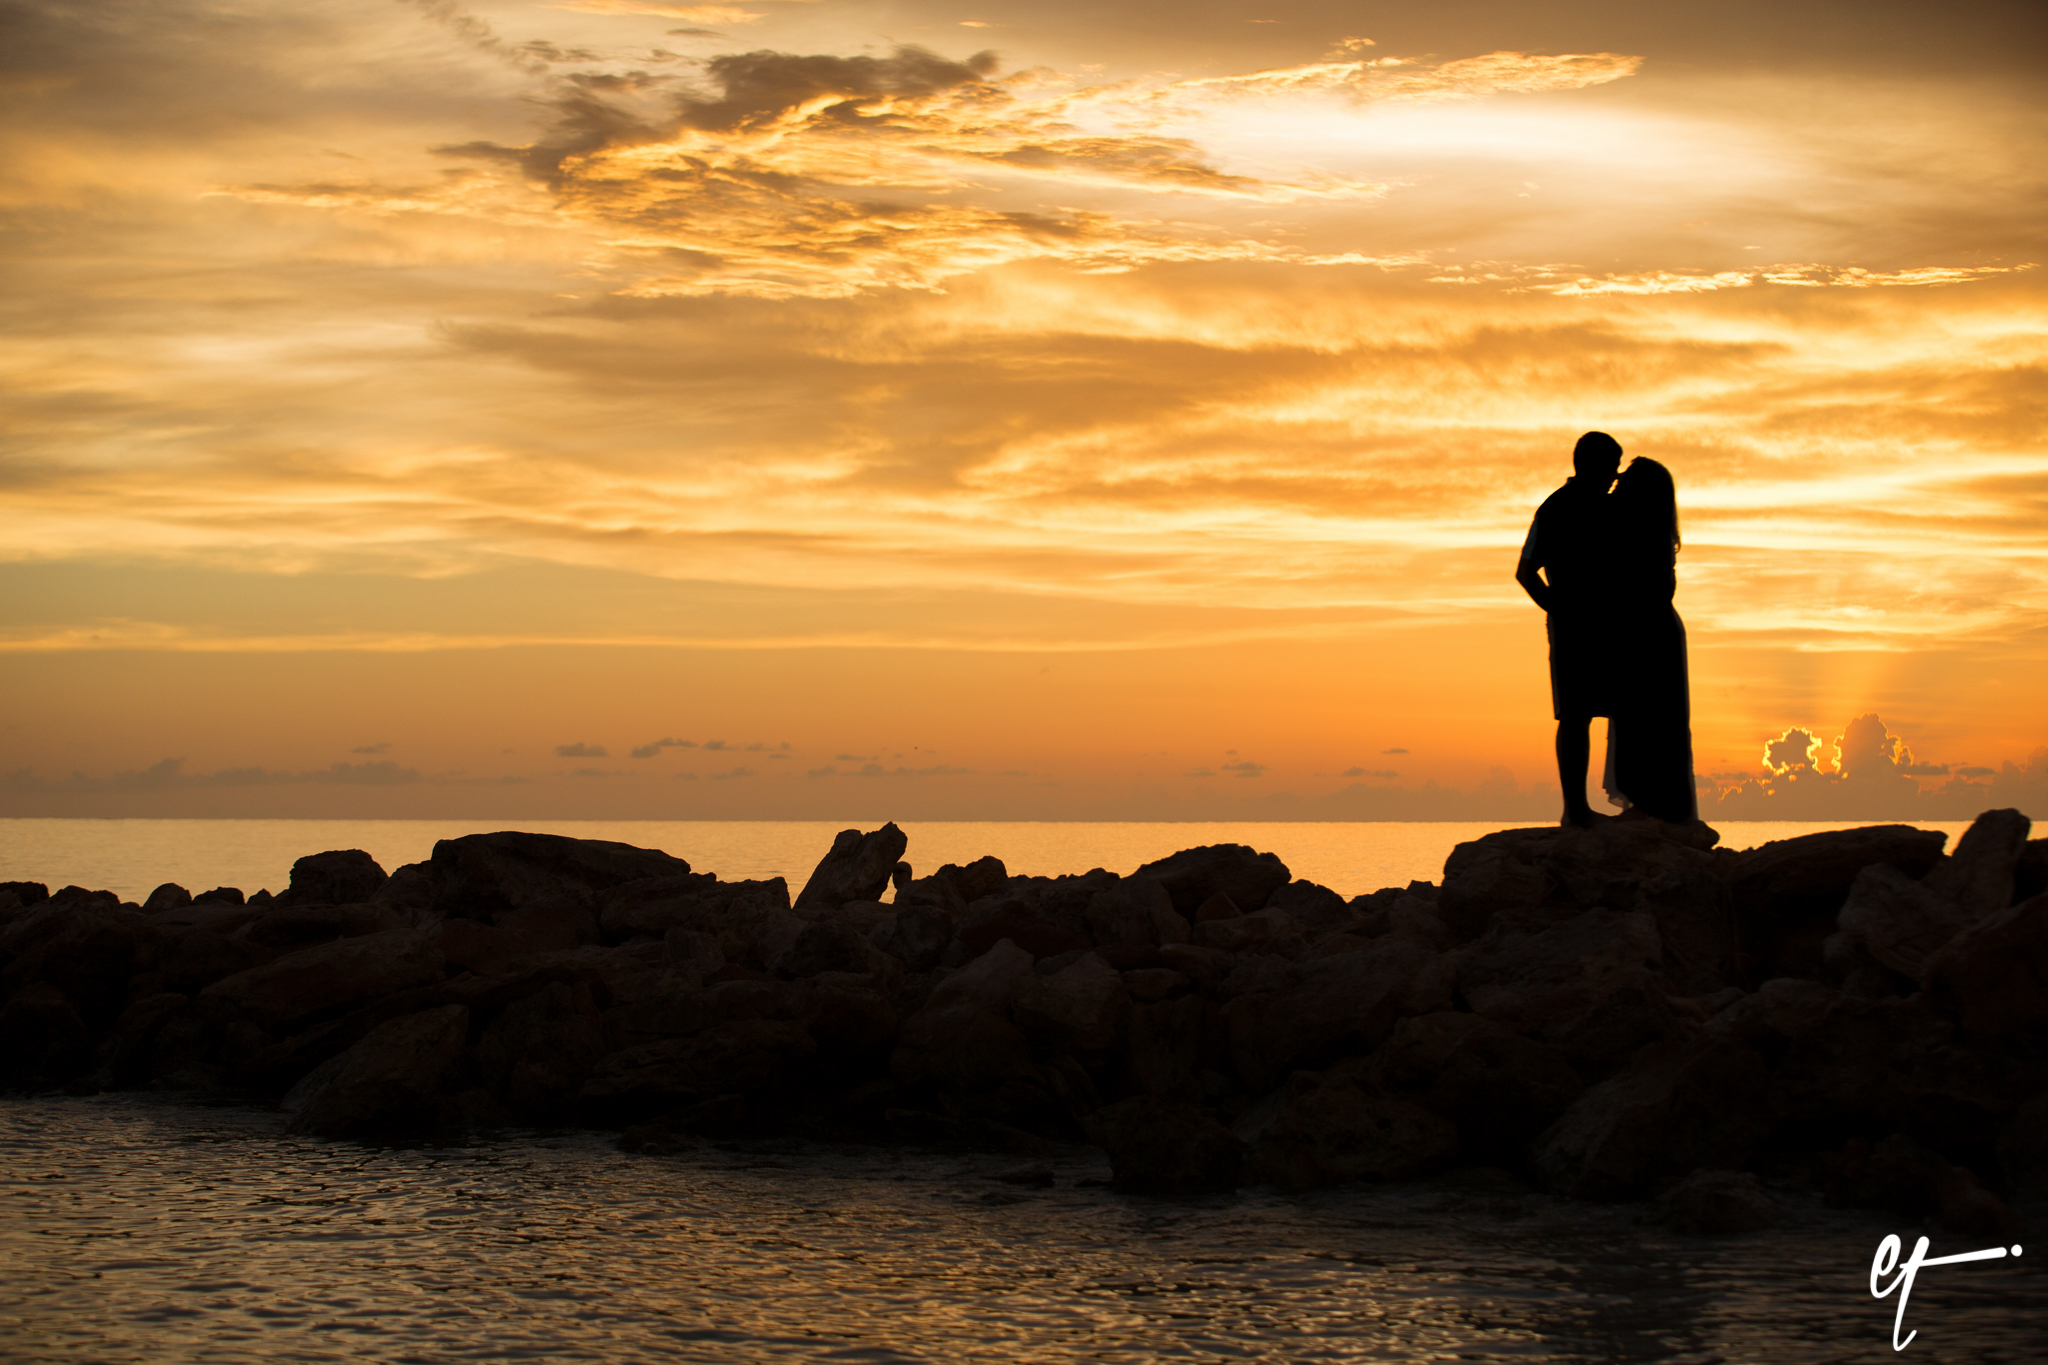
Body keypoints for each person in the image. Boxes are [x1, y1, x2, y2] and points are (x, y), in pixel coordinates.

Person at [1516, 431, 1623, 827]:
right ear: (1592, 465)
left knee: (1599, 713)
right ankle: (1575, 809)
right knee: (1577, 716)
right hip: (1578, 629)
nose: (1615, 475)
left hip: (1605, 627)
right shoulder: (1558, 509)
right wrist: (1558, 607)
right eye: (1612, 466)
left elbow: (1526, 572)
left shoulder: (1592, 508)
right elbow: (1525, 572)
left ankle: (1607, 806)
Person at [1602, 456, 1698, 822]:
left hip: (1651, 636)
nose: (1617, 481)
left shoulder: (1640, 532)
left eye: (1625, 478)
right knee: (1639, 718)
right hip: (1646, 632)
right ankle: (1649, 802)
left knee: (1653, 720)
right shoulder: (1635, 527)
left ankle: (1659, 805)